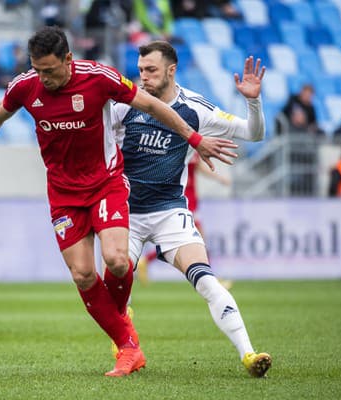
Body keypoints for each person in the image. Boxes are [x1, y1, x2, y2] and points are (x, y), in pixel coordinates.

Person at [0, 26, 237, 377]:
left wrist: (194, 138)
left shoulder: (99, 78)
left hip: (106, 183)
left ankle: (122, 330)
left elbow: (150, 103)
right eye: (37, 69)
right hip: (63, 195)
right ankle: (128, 347)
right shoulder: (26, 86)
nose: (43, 78)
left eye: (50, 70)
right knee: (83, 273)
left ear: (68, 60)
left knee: (118, 261)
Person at [110, 41, 271, 377]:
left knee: (208, 281)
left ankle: (250, 354)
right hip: (125, 214)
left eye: (151, 70)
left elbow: (253, 134)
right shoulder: (125, 105)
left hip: (170, 211)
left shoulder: (195, 109)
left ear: (171, 70)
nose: (144, 78)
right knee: (114, 285)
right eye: (140, 70)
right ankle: (126, 342)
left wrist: (253, 101)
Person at [135, 152, 232, 285]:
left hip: (192, 197)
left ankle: (146, 260)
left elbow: (198, 168)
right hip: (182, 197)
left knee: (183, 238)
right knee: (198, 238)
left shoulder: (193, 148)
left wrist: (219, 178)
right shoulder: (177, 146)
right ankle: (211, 279)